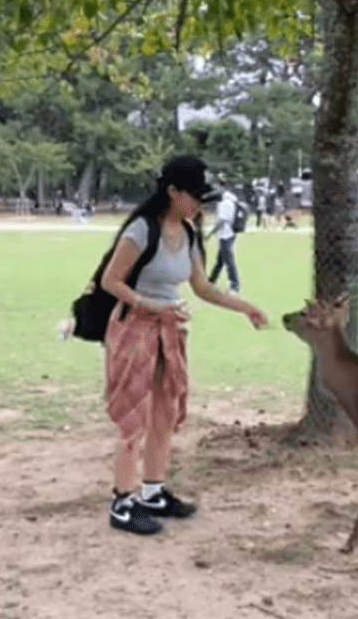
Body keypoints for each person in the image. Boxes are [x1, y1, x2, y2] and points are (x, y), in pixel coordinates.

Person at [99, 156, 268, 536]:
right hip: (134, 330)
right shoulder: (142, 231)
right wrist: (149, 305)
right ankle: (122, 502)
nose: (200, 206)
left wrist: (246, 308)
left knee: (165, 410)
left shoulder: (189, 234)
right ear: (172, 191)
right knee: (133, 418)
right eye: (195, 197)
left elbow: (201, 288)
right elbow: (112, 281)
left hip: (170, 332)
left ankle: (153, 491)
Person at [208, 186, 242, 293]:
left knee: (228, 260)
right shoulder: (232, 201)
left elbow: (222, 220)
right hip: (231, 233)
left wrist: (211, 232)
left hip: (225, 234)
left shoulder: (224, 204)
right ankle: (211, 281)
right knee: (220, 260)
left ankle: (235, 285)